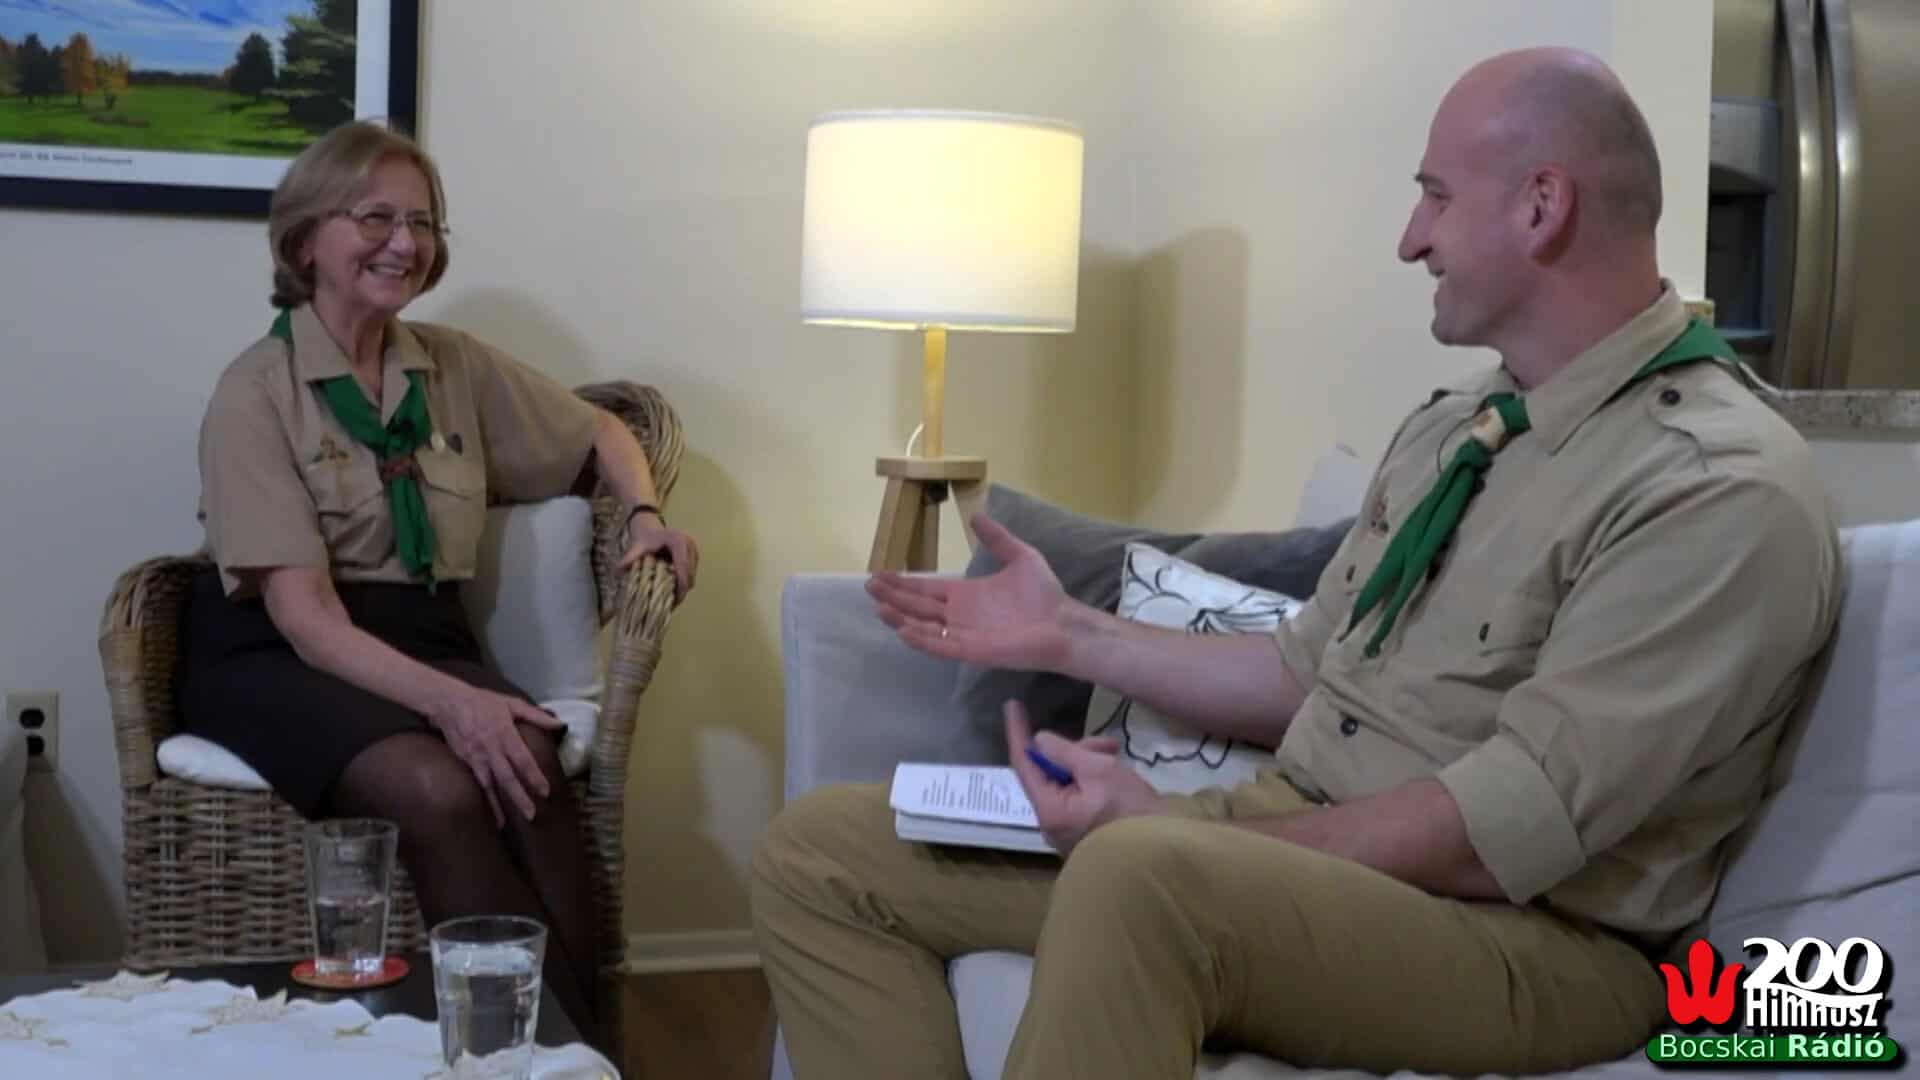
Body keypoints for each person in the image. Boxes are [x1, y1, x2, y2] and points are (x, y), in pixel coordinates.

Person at [750, 46, 1844, 1078]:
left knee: (1140, 876)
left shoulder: (1711, 489)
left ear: (1541, 206)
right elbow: (1303, 674)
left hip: (1533, 939)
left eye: (1436, 196)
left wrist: (1186, 836)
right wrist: (1069, 634)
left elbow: (1498, 836)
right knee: (825, 851)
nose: (1411, 240)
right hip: (1295, 845)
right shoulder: (1461, 428)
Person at [179, 120, 699, 1042]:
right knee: (438, 790)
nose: (405, 242)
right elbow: (305, 618)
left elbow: (602, 431)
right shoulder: (254, 391)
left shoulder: (451, 364)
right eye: (374, 217)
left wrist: (646, 514)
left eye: (421, 222)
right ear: (306, 241)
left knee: (530, 769)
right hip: (278, 654)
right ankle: (544, 1054)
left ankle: (584, 1055)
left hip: (422, 634)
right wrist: (457, 706)